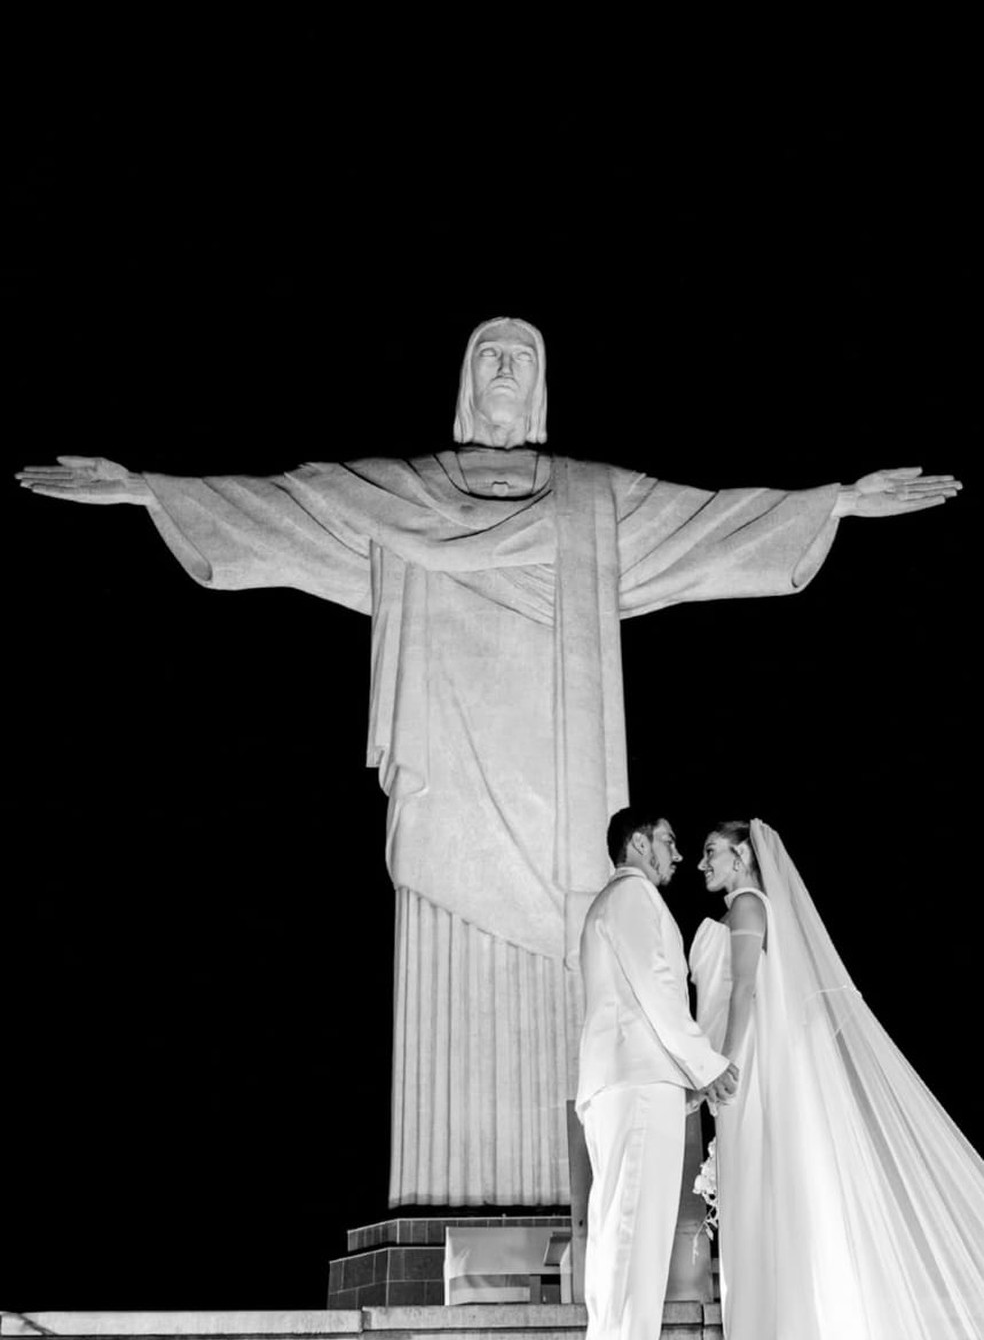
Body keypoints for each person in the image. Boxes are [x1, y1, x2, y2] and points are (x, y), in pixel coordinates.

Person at [16, 318, 961, 1212]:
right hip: (450, 771)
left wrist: (832, 501)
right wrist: (150, 488)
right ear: (467, 384)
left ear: (539, 384)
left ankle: (576, 1213)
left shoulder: (593, 497)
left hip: (564, 775)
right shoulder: (405, 492)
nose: (505, 367)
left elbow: (708, 522)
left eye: (521, 354)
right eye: (489, 355)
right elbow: (287, 504)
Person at [689, 817, 984, 1340]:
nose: (701, 863)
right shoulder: (759, 906)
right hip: (769, 1069)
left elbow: (743, 990)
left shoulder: (744, 903)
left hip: (753, 1072)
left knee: (759, 1205)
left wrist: (721, 1066)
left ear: (740, 855)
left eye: (710, 852)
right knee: (771, 1206)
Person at [576, 806, 739, 1340]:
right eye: (669, 841)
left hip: (629, 1080)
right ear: (639, 842)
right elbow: (658, 988)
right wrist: (708, 1064)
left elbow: (638, 997)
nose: (677, 854)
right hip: (638, 1083)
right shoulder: (634, 897)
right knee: (633, 1224)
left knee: (623, 1221)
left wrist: (687, 1077)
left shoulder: (611, 903)